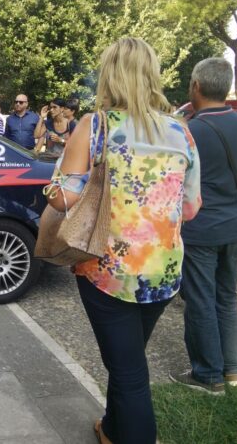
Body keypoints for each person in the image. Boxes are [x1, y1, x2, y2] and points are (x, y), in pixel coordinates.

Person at [46, 38, 201, 444]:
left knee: (129, 371)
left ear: (109, 74)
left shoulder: (95, 126)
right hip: (164, 271)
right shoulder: (181, 132)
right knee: (126, 359)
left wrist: (50, 186)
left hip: (107, 270)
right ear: (151, 74)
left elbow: (65, 198)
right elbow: (191, 208)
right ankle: (112, 428)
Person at [170, 57, 237, 394]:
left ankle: (207, 374)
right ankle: (232, 369)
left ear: (196, 87)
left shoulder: (189, 129)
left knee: (200, 298)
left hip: (201, 227)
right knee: (227, 296)